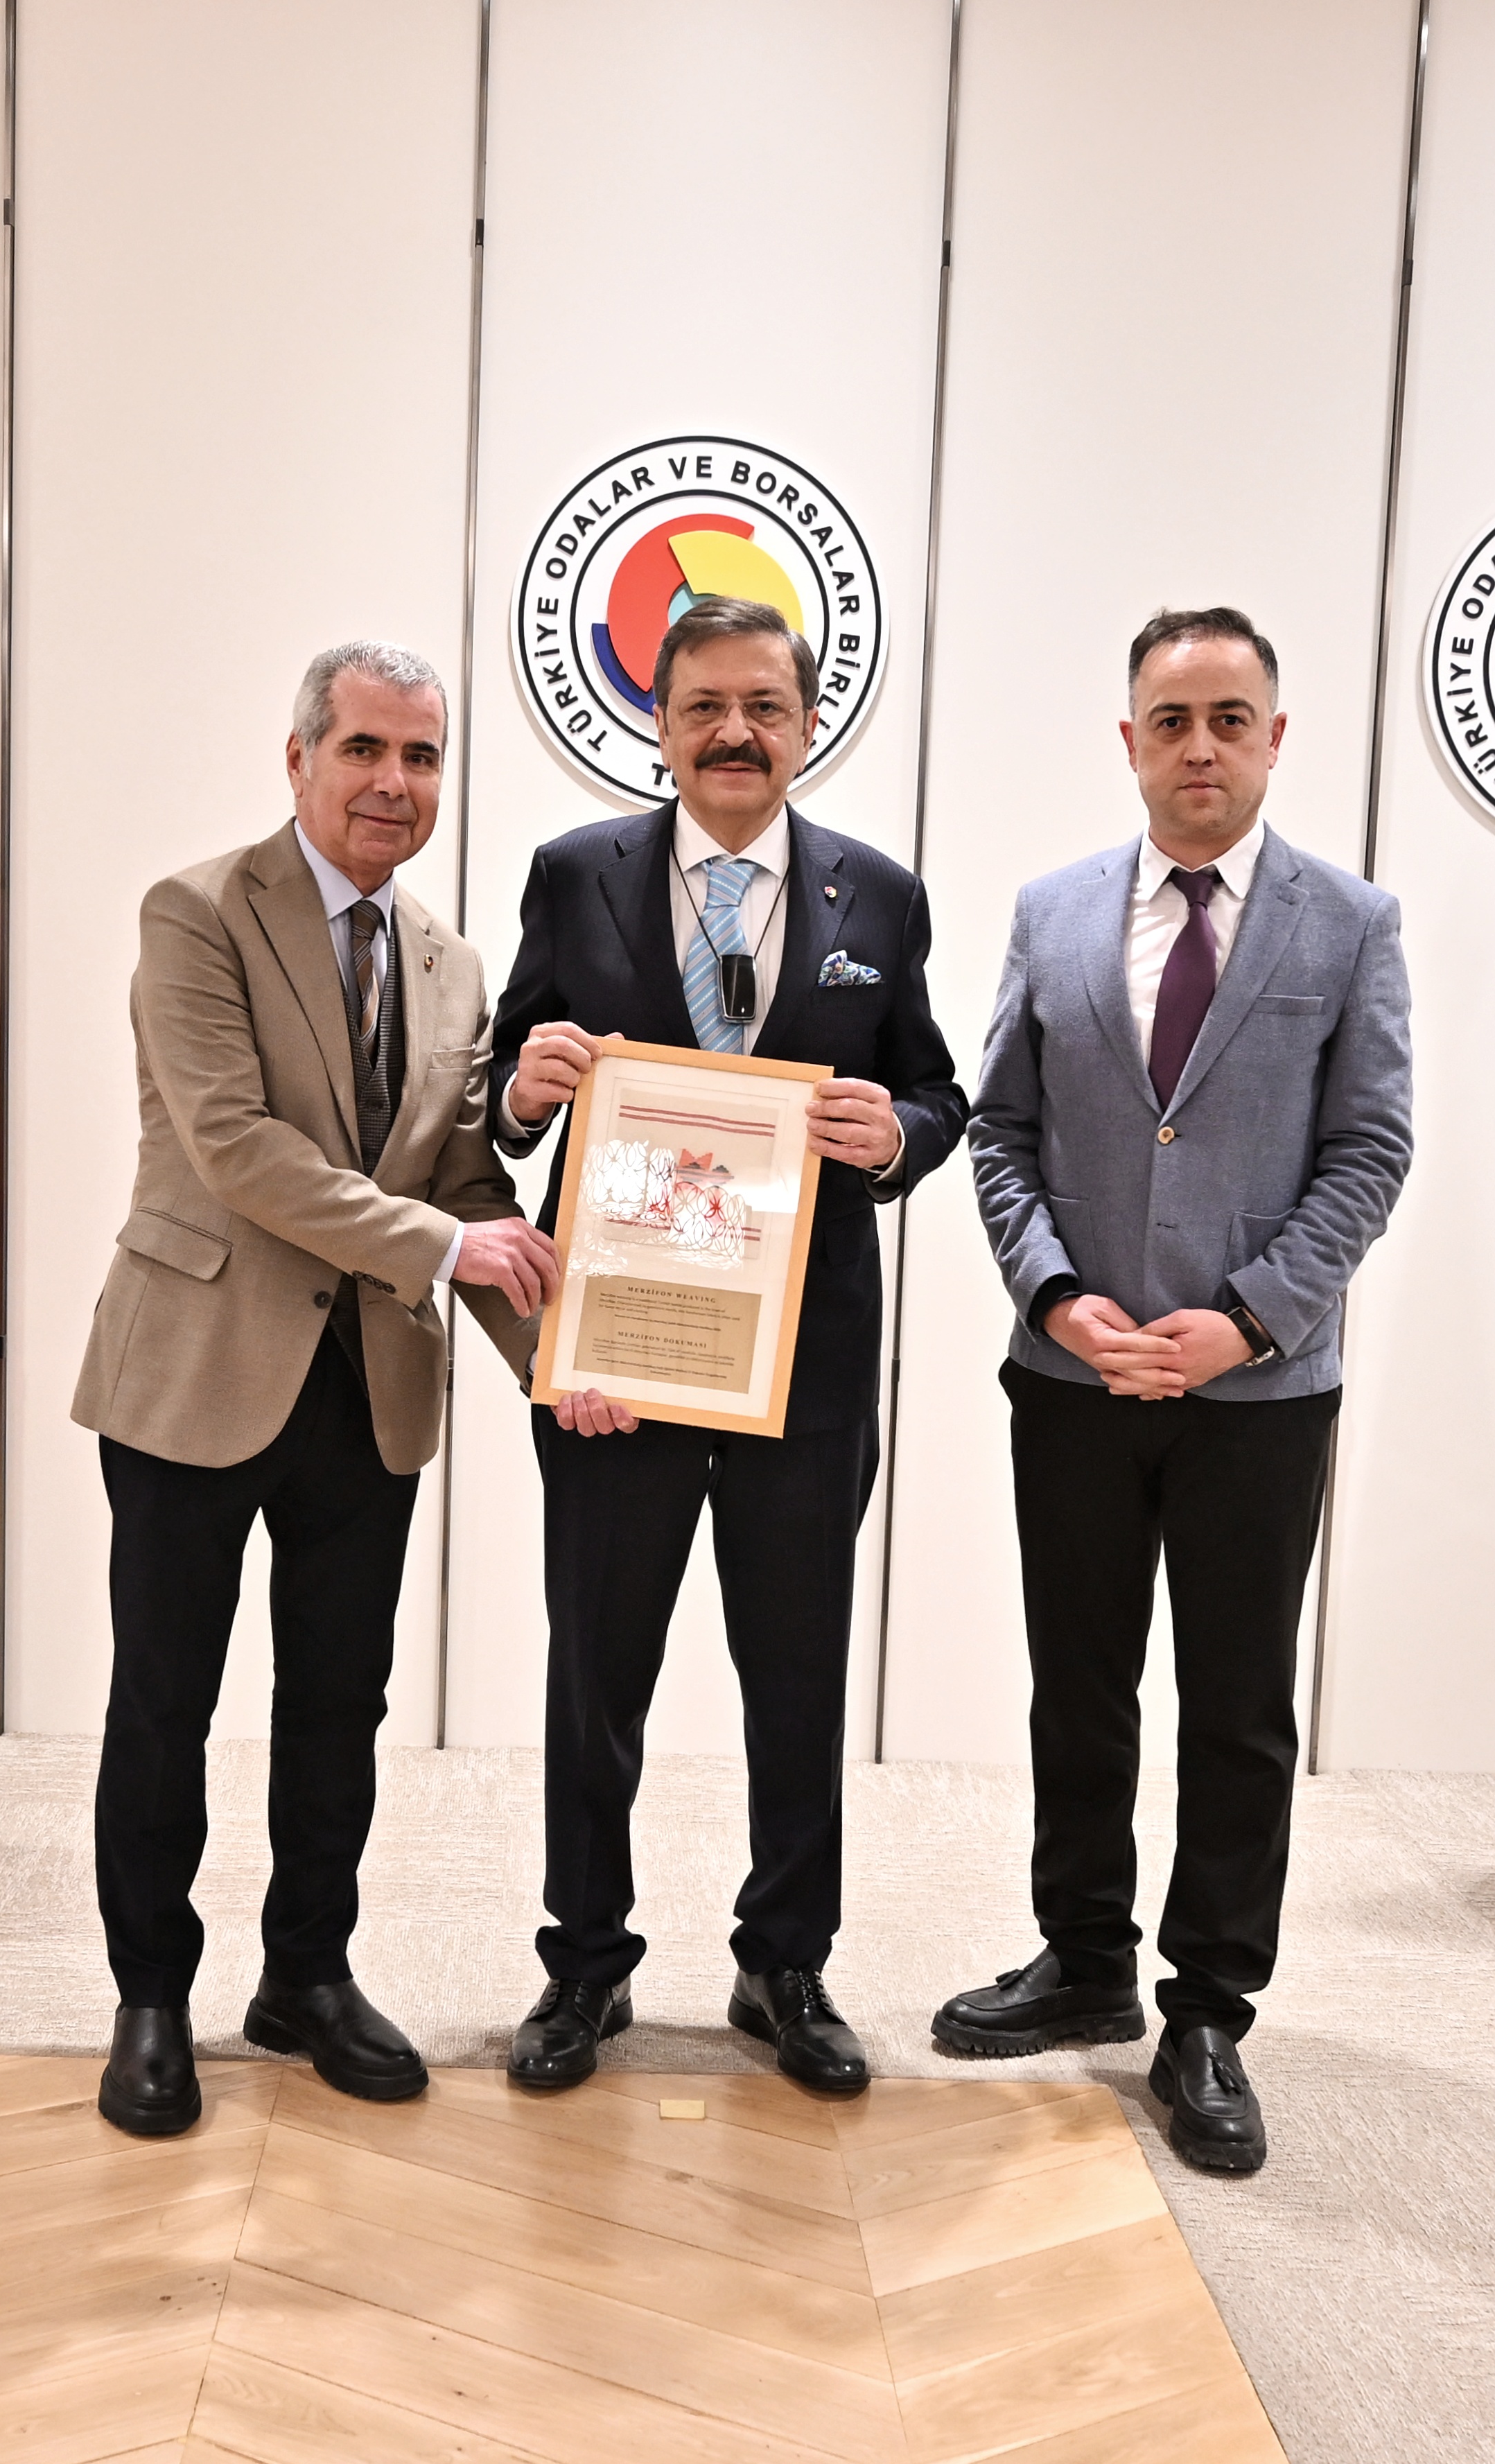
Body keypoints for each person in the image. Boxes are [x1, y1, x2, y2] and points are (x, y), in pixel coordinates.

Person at [936, 606, 1410, 2175]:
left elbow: (1370, 1151)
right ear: (1128, 740)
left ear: (1274, 738)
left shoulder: (1350, 924)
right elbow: (999, 1130)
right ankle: (1083, 1956)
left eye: (1227, 718)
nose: (1198, 746)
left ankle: (1207, 2008)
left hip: (1257, 1396)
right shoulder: (1053, 911)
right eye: (1170, 720)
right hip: (1072, 1376)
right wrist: (1053, 1295)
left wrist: (1247, 1320)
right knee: (1078, 1681)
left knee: (1237, 1703)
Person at [74, 640, 563, 2138]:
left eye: (421, 756)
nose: (392, 782)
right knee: (165, 1699)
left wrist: (561, 1363)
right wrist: (446, 1245)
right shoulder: (198, 912)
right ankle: (151, 1996)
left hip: (370, 1387)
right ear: (298, 760)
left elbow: (463, 1183)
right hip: (197, 1369)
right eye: (363, 749)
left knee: (340, 1705)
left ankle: (305, 1974)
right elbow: (237, 1147)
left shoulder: (451, 964)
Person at [491, 595, 968, 2096]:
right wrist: (523, 1089)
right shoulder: (574, 875)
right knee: (597, 1676)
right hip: (615, 1362)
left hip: (801, 1368)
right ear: (660, 723)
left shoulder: (878, 897)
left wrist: (895, 1134)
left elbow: (937, 1094)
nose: (733, 733)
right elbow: (497, 1078)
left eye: (763, 705)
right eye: (703, 705)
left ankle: (785, 1963)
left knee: (797, 1678)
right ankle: (584, 1964)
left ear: (806, 724)